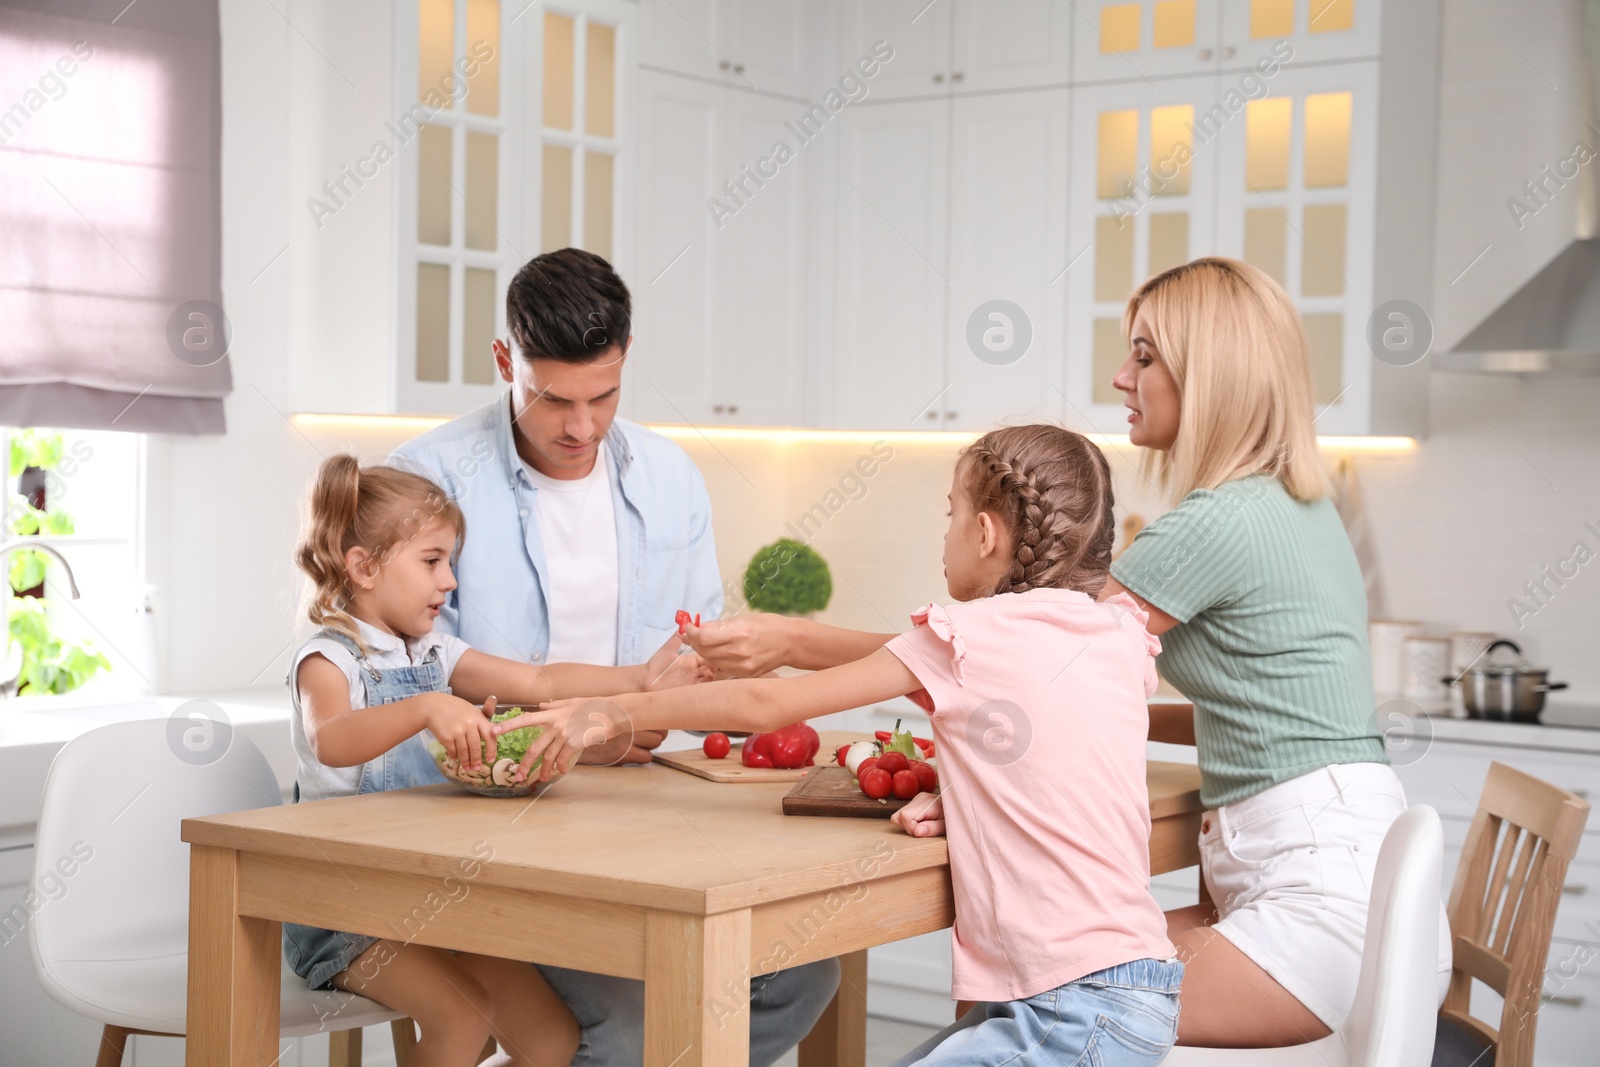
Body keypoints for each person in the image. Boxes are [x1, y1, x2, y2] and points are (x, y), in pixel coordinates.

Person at [679, 258, 1452, 1049]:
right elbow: (1233, 709)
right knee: (1026, 996)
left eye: (1145, 355)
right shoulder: (1298, 503)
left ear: (1211, 371)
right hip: (1362, 888)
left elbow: (1016, 655)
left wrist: (794, 640)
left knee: (1042, 995)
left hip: (1317, 912)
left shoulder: (1217, 522)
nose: (1121, 376)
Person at [495, 425, 1185, 1067]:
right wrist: (970, 791)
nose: (941, 533)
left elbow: (763, 702)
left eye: (949, 513)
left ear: (984, 533)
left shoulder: (972, 636)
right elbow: (1061, 743)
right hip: (1130, 989)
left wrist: (613, 711)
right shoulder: (1119, 634)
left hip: (1067, 1012)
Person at [389, 247, 839, 1065]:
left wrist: (653, 717)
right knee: (631, 1028)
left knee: (800, 974)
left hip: (640, 808)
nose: (582, 427)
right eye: (553, 399)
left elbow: (697, 658)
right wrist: (591, 726)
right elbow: (412, 674)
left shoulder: (670, 476)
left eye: (604, 396)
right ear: (504, 362)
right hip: (495, 828)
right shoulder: (425, 478)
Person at [284, 453, 710, 1066]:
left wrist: (643, 678)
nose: (449, 581)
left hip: (435, 898)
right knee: (459, 1021)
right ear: (364, 566)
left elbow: (538, 681)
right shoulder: (328, 661)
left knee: (553, 1038)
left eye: (449, 562)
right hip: (342, 915)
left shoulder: (434, 651)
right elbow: (333, 739)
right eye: (431, 561)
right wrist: (425, 708)